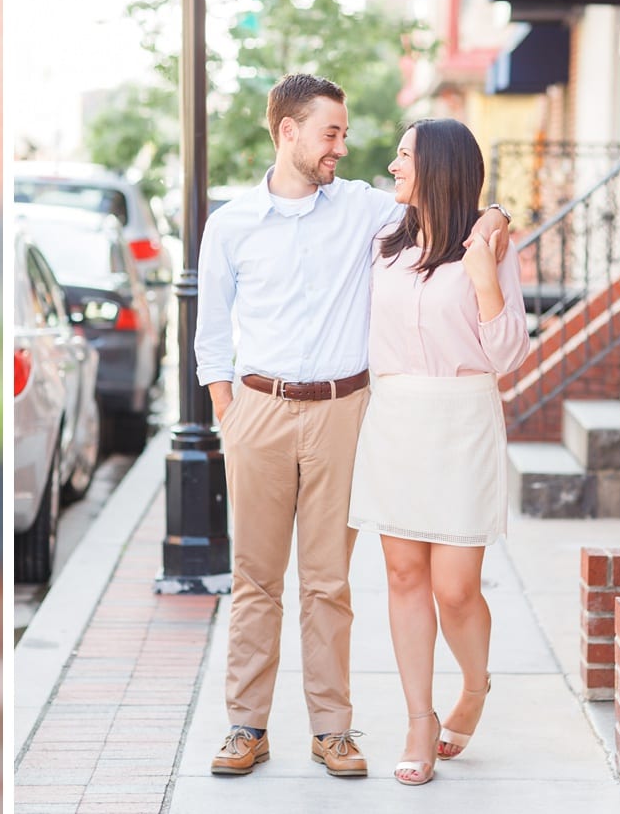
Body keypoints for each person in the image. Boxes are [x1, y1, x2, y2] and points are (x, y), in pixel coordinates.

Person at [194, 72, 509, 782]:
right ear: (288, 132)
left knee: (329, 581)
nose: (342, 145)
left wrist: (496, 217)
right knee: (255, 578)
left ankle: (332, 729)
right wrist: (226, 409)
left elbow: (454, 204)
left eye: (343, 132)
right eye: (330, 132)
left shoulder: (365, 209)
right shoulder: (232, 223)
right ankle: (247, 723)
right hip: (258, 408)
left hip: (345, 411)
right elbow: (210, 328)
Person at [346, 119, 529, 787]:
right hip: (395, 416)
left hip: (463, 417)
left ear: (440, 168)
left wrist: (484, 276)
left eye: (405, 155)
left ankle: (474, 688)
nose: (393, 164)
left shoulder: (490, 245)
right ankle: (419, 718)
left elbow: (508, 354)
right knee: (401, 576)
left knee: (456, 587)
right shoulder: (383, 239)